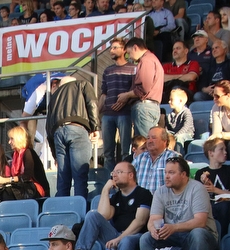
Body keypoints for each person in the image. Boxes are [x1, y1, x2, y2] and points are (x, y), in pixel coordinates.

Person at [139, 157, 218, 250]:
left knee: (198, 233)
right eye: (165, 172)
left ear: (183, 174)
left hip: (197, 235)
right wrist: (153, 230)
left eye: (171, 172)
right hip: (172, 236)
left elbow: (200, 222)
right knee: (146, 238)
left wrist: (174, 227)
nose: (166, 176)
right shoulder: (160, 192)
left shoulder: (197, 188)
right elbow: (153, 220)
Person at [75, 161, 151, 250]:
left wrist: (119, 238)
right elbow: (103, 215)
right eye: (113, 173)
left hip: (136, 236)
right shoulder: (116, 197)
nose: (114, 175)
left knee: (126, 240)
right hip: (115, 235)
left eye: (119, 172)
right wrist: (105, 190)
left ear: (131, 175)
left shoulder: (143, 194)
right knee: (92, 215)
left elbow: (140, 222)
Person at [46, 74, 98, 198]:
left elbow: (48, 128)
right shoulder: (82, 84)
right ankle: (80, 212)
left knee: (63, 179)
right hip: (77, 128)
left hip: (58, 134)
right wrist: (95, 127)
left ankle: (63, 211)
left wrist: (55, 155)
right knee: (79, 175)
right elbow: (92, 103)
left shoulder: (54, 97)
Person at [100, 37, 136, 171]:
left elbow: (136, 91)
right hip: (108, 114)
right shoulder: (107, 70)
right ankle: (111, 179)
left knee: (125, 150)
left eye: (115, 48)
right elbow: (104, 93)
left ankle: (126, 175)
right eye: (111, 48)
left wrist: (125, 101)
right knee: (108, 152)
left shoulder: (133, 69)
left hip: (125, 113)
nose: (111, 50)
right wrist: (98, 113)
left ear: (124, 50)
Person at [118, 38, 163, 139]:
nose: (130, 57)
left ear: (135, 48)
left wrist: (127, 95)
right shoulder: (152, 59)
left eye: (129, 53)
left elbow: (144, 88)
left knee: (144, 143)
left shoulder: (146, 60)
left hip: (144, 108)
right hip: (151, 107)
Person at [195, 138, 230, 236]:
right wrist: (204, 187)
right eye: (221, 149)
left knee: (224, 206)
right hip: (210, 207)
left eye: (225, 149)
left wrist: (214, 189)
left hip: (227, 208)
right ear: (211, 153)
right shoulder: (200, 173)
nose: (225, 152)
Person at [132, 126, 180, 194]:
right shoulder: (140, 158)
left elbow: (178, 184)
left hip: (165, 202)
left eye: (154, 138)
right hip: (141, 203)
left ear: (164, 141)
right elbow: (128, 179)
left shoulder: (173, 157)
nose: (150, 141)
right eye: (148, 138)